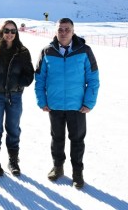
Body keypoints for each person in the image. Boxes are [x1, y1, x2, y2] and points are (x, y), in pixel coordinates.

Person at [34, 17, 100, 189]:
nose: (63, 33)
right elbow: (39, 79)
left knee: (77, 140)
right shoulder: (47, 52)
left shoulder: (85, 51)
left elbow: (93, 79)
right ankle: (58, 167)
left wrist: (89, 102)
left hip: (77, 106)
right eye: (60, 29)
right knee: (57, 139)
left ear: (73, 31)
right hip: (54, 105)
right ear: (55, 32)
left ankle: (77, 173)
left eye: (67, 29)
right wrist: (42, 101)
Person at [0, 20, 34, 177]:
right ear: (2, 32)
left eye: (13, 31)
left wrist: (18, 83)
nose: (10, 34)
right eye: (7, 31)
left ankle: (13, 161)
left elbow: (29, 74)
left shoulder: (22, 52)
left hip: (15, 96)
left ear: (17, 33)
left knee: (13, 129)